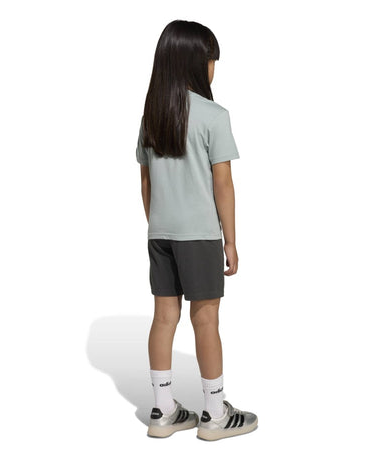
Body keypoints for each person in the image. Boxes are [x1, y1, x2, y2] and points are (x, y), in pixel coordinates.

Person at [135, 20, 258, 441]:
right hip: (200, 235)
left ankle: (163, 410)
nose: (213, 68)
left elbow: (146, 181)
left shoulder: (152, 115)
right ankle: (214, 414)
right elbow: (223, 184)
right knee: (205, 321)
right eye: (211, 60)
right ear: (195, 62)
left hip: (160, 233)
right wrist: (231, 240)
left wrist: (157, 223)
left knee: (163, 318)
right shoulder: (213, 115)